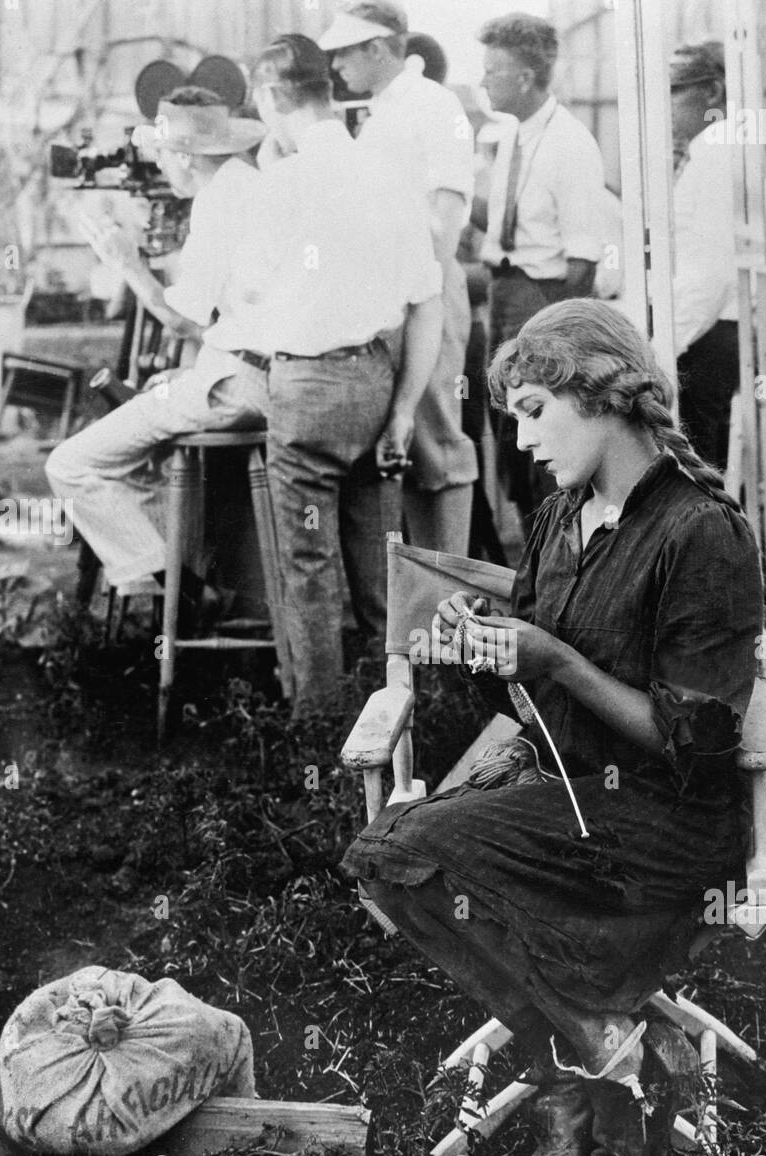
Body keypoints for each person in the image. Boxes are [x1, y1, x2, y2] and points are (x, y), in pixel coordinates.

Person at [343, 299, 764, 1156]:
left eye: (534, 410)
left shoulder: (701, 532)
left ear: (602, 394)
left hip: (666, 820)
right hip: (567, 795)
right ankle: (602, 1068)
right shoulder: (559, 518)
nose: (523, 439)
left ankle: (604, 1105)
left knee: (413, 851)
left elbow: (698, 745)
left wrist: (556, 661)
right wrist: (487, 644)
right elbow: (527, 692)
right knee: (388, 858)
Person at [242, 35, 443, 714]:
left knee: (308, 567)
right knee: (379, 565)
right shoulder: (388, 174)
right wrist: (407, 409)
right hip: (377, 382)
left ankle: (318, 733)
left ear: (272, 98)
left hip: (308, 392)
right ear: (330, 92)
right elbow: (426, 301)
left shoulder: (278, 185)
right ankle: (402, 719)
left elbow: (241, 303)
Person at [45, 89, 268, 620]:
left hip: (234, 384)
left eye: (164, 153)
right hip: (255, 373)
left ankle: (180, 591)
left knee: (71, 465)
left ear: (187, 155)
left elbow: (181, 319)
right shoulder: (250, 186)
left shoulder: (218, 202)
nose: (158, 164)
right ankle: (189, 580)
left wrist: (127, 263)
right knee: (149, 411)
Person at [318, 3, 478, 557]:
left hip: (426, 288)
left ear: (377, 48)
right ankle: (424, 599)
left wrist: (418, 296)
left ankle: (452, 593)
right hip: (391, 293)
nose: (336, 66)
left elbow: (447, 213)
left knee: (436, 433)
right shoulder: (383, 112)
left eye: (343, 53)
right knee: (404, 440)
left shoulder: (433, 105)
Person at [476, 13, 607, 529]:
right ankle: (533, 554)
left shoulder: (570, 143)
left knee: (543, 433)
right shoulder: (513, 136)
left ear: (526, 77)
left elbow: (582, 262)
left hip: (542, 298)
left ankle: (557, 562)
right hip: (504, 291)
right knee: (508, 433)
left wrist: (558, 342)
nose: (483, 80)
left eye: (493, 70)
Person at [668, 41, 741, 472]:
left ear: (712, 93)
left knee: (697, 468)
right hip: (705, 330)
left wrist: (662, 345)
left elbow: (711, 273)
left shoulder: (716, 153)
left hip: (704, 334)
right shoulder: (712, 150)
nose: (666, 106)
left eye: (675, 90)